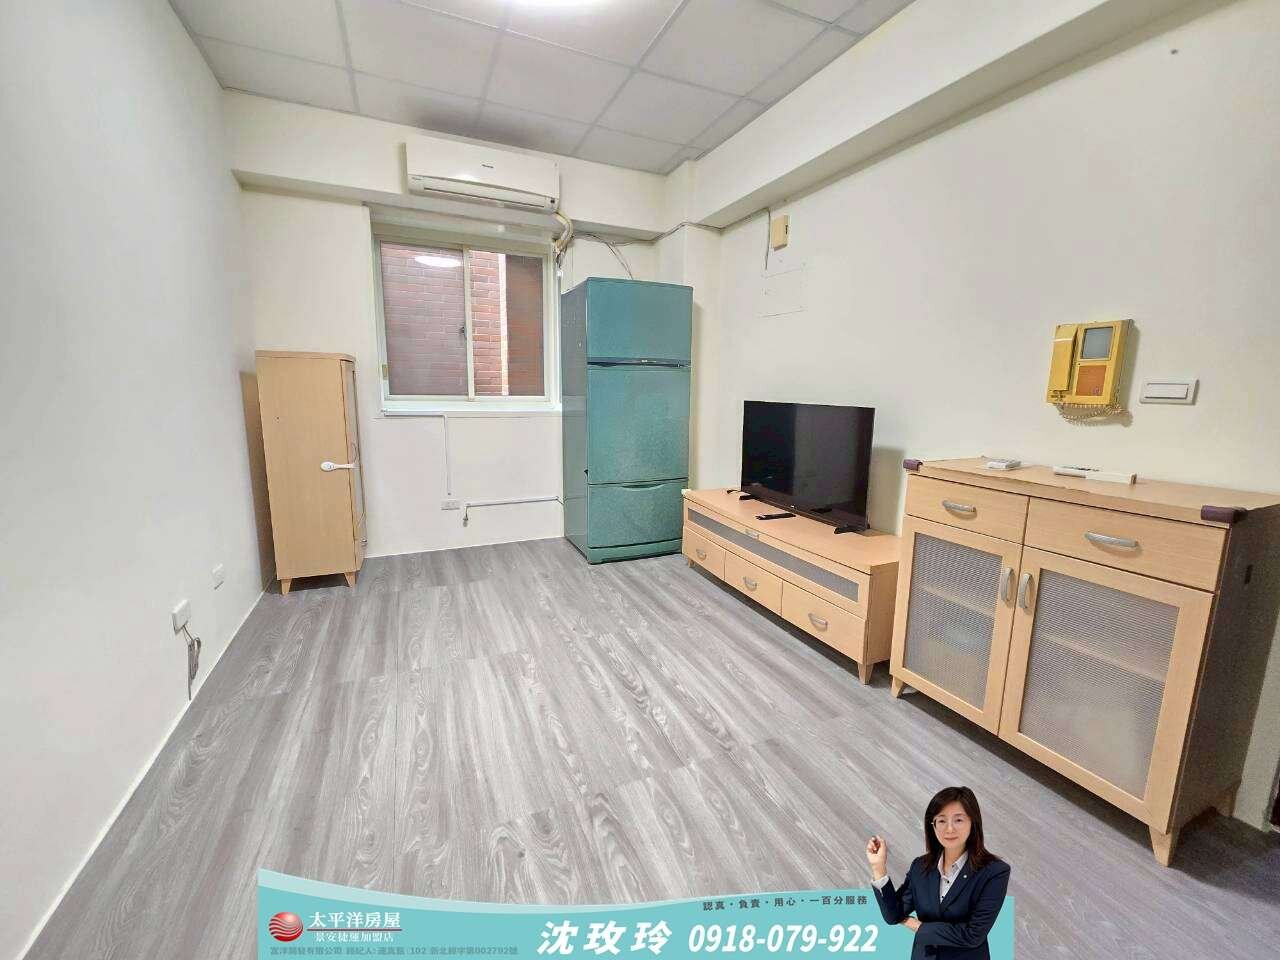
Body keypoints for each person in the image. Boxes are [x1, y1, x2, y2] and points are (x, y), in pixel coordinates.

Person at [865, 786, 1010, 960]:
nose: (949, 829)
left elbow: (973, 935)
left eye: (958, 820)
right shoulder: (920, 867)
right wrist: (878, 867)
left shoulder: (995, 872)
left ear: (973, 823)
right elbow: (893, 915)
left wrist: (918, 926)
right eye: (941, 821)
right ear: (932, 826)